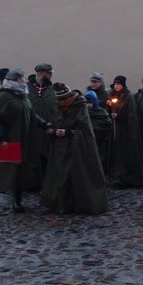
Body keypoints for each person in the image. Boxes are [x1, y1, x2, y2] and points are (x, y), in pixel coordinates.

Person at [0, 68, 53, 213]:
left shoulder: (23, 96)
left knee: (24, 168)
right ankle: (16, 201)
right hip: (11, 140)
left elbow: (32, 114)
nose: (25, 80)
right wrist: (2, 138)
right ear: (16, 80)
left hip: (25, 138)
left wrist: (44, 124)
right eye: (22, 78)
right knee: (13, 169)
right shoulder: (4, 97)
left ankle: (19, 197)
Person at [41, 84, 108, 214]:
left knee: (79, 175)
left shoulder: (80, 107)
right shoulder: (57, 106)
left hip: (78, 149)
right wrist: (54, 131)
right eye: (59, 101)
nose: (61, 103)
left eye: (63, 100)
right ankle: (63, 203)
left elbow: (85, 129)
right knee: (62, 176)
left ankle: (81, 203)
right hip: (60, 148)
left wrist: (67, 132)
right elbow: (55, 122)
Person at [107, 75, 143, 188]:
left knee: (125, 154)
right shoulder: (112, 95)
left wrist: (119, 116)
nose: (117, 86)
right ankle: (116, 177)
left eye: (119, 84)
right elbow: (109, 111)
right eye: (115, 84)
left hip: (125, 130)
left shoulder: (128, 97)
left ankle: (127, 177)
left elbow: (131, 114)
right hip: (115, 129)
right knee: (116, 153)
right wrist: (110, 108)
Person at [28, 62, 58, 182]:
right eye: (49, 73)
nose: (51, 75)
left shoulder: (52, 90)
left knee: (47, 155)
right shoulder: (27, 89)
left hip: (48, 129)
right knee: (32, 155)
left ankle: (45, 181)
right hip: (31, 129)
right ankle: (32, 181)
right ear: (41, 73)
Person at [84, 90, 113, 176]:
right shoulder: (85, 114)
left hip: (100, 141)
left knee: (99, 160)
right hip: (89, 141)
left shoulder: (102, 113)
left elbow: (106, 125)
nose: (88, 105)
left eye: (90, 102)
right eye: (87, 102)